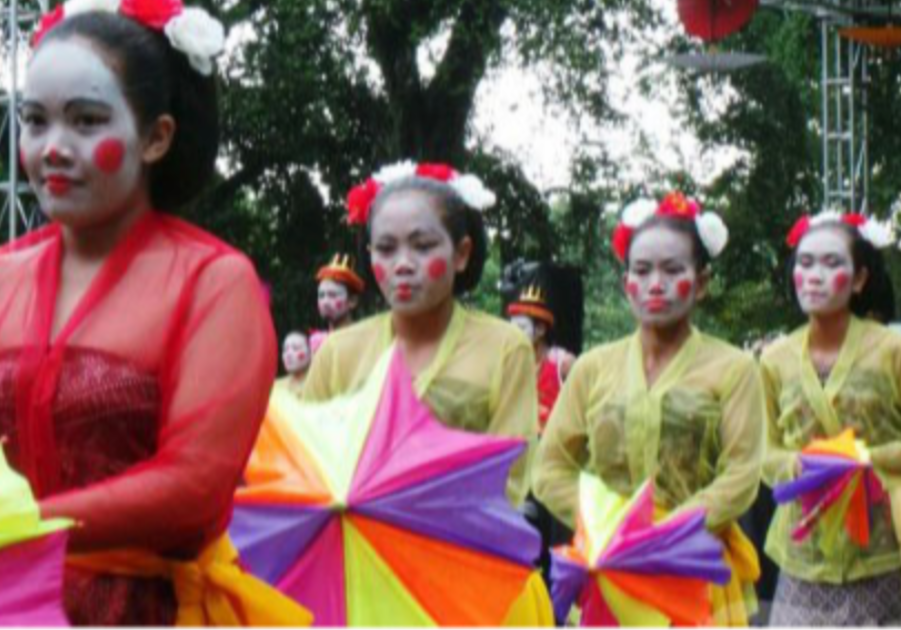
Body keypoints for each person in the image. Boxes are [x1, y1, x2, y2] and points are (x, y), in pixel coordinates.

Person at [0, 0, 302, 629]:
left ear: (156, 138)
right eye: (35, 120)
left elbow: (192, 489)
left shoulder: (214, 283)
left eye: (86, 120)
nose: (52, 147)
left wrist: (16, 525)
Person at [300, 161, 548, 626]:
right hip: (361, 577)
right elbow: (305, 462)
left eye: (423, 244)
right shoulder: (340, 352)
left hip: (469, 571)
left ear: (461, 253)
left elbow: (511, 474)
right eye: (386, 248)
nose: (403, 264)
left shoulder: (504, 348)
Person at [533, 192, 764, 629]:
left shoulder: (733, 369)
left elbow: (741, 476)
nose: (655, 283)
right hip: (610, 568)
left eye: (673, 270)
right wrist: (609, 526)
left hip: (692, 568)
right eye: (642, 271)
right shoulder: (592, 368)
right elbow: (549, 468)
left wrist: (664, 534)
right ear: (627, 286)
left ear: (701, 282)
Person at [761, 211, 901, 630]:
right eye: (805, 263)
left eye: (831, 264)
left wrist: (865, 459)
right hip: (804, 551)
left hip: (879, 553)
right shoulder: (774, 360)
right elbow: (763, 451)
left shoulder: (893, 351)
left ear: (860, 279)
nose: (814, 275)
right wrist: (798, 466)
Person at [505, 283, 576, 429]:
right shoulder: (510, 365)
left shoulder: (563, 363)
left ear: (540, 329)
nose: (513, 334)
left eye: (521, 327)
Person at [315, 252, 364, 331]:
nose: (325, 302)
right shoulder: (318, 341)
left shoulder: (364, 338)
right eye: (321, 295)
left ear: (352, 301)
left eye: (332, 295)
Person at [273, 331, 312, 397]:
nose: (288, 354)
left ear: (310, 352)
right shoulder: (276, 387)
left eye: (295, 348)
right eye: (285, 349)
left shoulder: (319, 384)